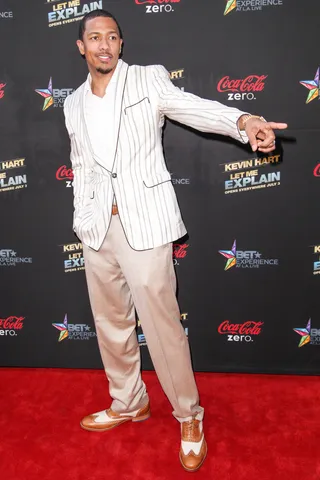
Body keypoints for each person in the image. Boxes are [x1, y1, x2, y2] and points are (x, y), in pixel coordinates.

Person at [63, 9, 287, 472]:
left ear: (121, 45)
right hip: (96, 229)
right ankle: (128, 401)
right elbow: (83, 165)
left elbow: (197, 108)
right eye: (94, 38)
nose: (104, 44)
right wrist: (84, 214)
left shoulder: (148, 80)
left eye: (112, 37)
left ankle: (188, 415)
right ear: (81, 47)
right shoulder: (72, 102)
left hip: (144, 226)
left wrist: (243, 121)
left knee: (163, 329)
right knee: (110, 324)